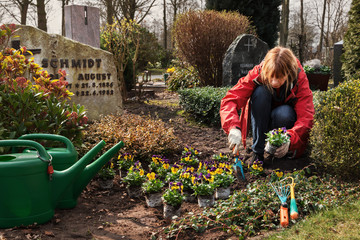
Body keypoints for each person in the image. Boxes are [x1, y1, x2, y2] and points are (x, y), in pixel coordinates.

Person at [220, 46, 315, 165]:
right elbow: (230, 99)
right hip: (261, 119)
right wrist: (233, 127)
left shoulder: (299, 77)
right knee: (260, 92)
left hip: (285, 122)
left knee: (283, 113)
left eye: (280, 77)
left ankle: (278, 151)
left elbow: (306, 117)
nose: (275, 82)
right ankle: (257, 152)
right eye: (271, 76)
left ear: (289, 72)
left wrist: (290, 139)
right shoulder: (259, 71)